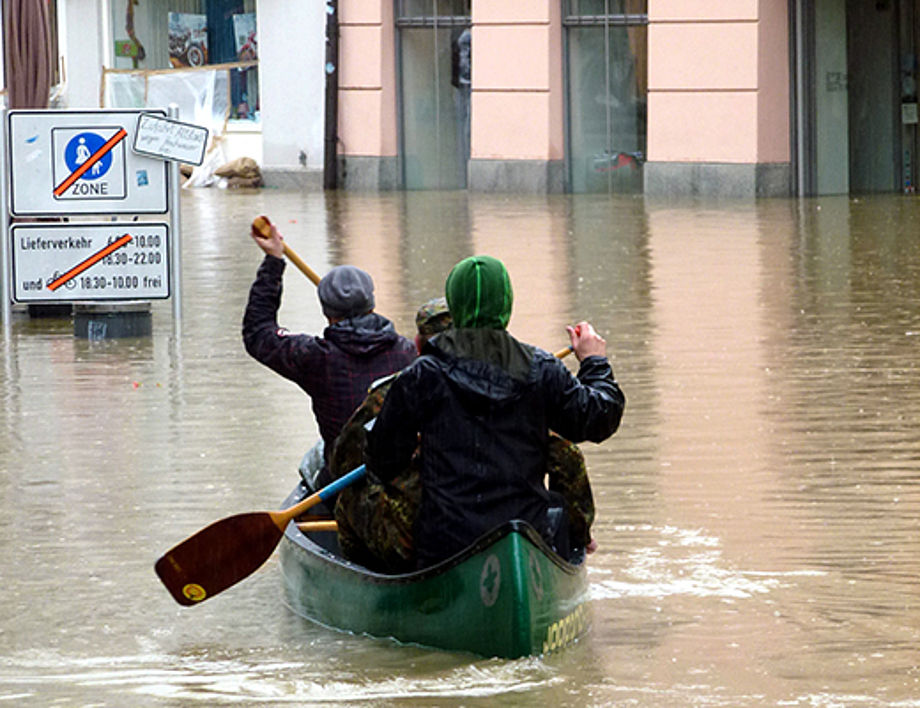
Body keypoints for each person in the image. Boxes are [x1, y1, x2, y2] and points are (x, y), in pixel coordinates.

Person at [365, 255, 625, 569]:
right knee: (558, 506)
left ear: (455, 305)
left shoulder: (420, 376)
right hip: (525, 539)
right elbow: (598, 419)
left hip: (446, 545)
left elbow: (382, 463)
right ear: (507, 304)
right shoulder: (542, 369)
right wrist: (594, 362)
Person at [242, 218, 417, 490]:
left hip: (343, 487)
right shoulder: (408, 352)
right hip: (400, 481)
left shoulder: (316, 358)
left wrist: (273, 261)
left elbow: (258, 333)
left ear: (326, 313)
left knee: (315, 459)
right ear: (371, 304)